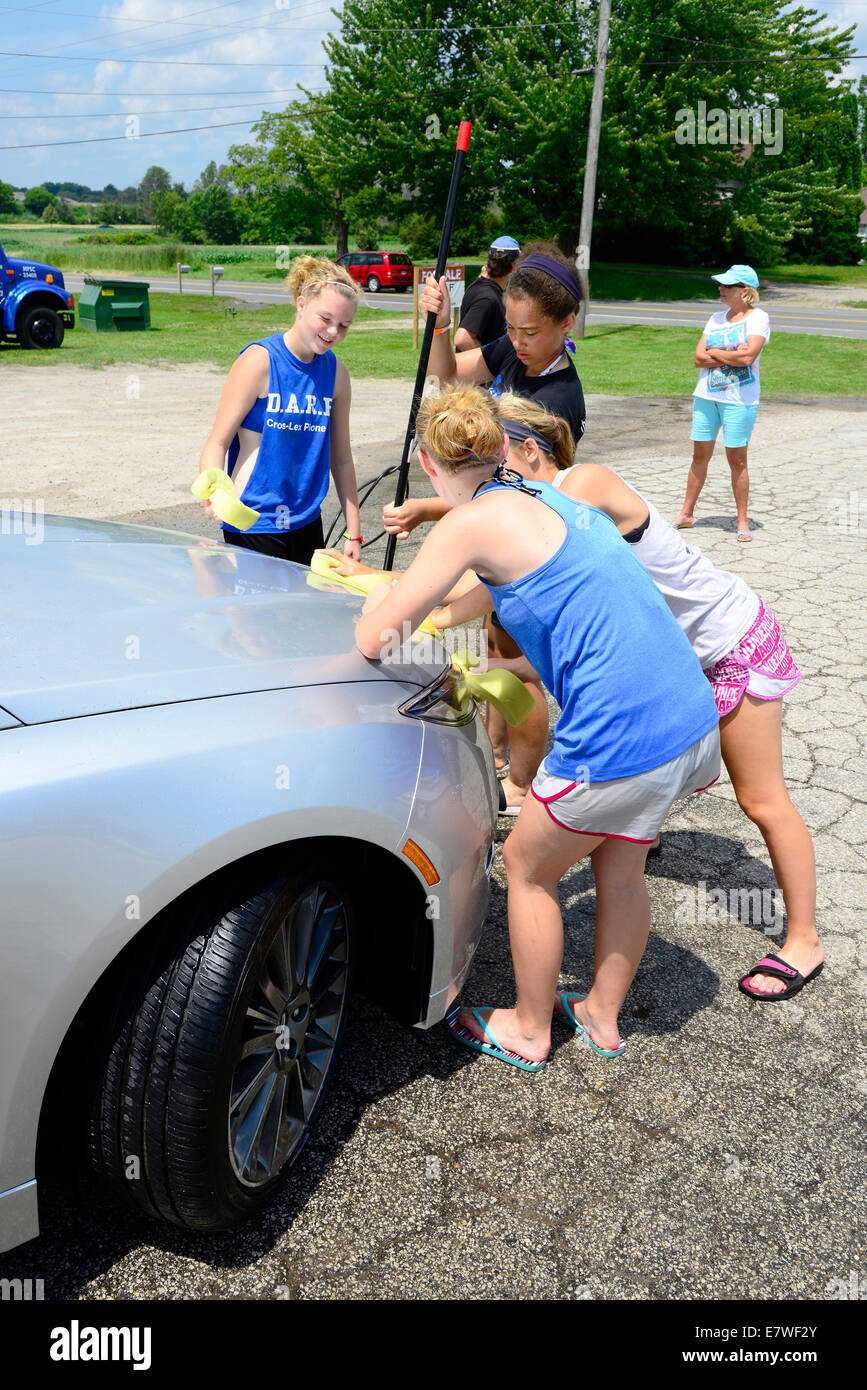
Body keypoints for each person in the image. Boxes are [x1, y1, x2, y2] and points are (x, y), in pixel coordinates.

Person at [351, 384, 721, 1069]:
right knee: (620, 863)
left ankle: (526, 1026)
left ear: (429, 465)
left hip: (619, 742)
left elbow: (376, 638)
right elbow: (494, 585)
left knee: (524, 865)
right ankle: (601, 1019)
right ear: (499, 446)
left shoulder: (466, 524)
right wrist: (426, 609)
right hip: (690, 722)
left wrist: (384, 601)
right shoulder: (539, 493)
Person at [436, 392, 822, 1003]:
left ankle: (804, 939)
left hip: (732, 640)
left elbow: (494, 553)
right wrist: (426, 601)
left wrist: (435, 569)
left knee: (762, 798)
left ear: (528, 450)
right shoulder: (530, 509)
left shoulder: (580, 483)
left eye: (496, 455)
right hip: (682, 663)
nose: (490, 473)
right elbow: (495, 574)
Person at [382, 240, 588, 810]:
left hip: (525, 550)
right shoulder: (514, 353)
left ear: (567, 324)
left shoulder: (557, 399)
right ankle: (493, 755)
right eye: (513, 330)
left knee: (519, 673)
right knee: (483, 649)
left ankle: (524, 780)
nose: (518, 344)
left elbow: (523, 502)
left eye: (532, 333)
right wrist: (442, 327)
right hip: (492, 530)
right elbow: (449, 378)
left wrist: (429, 508)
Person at [198, 254, 363, 566]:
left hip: (306, 519)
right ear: (301, 305)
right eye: (325, 319)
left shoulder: (337, 374)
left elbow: (340, 457)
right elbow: (218, 441)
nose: (332, 332)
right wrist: (215, 489)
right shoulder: (259, 361)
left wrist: (353, 532)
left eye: (344, 325)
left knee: (300, 613)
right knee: (254, 615)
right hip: (253, 519)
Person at [673, 264, 770, 543]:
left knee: (737, 460)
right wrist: (727, 352)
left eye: (728, 286)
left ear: (745, 291)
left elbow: (748, 357)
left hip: (740, 400)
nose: (721, 289)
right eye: (721, 285)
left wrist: (713, 352)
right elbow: (697, 358)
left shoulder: (758, 319)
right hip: (706, 396)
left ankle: (742, 521)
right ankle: (686, 513)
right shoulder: (715, 318)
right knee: (698, 456)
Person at [454, 235, 520, 352]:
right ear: (515, 265)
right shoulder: (488, 299)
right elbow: (462, 339)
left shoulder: (480, 285)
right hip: (476, 370)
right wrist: (489, 361)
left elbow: (484, 272)